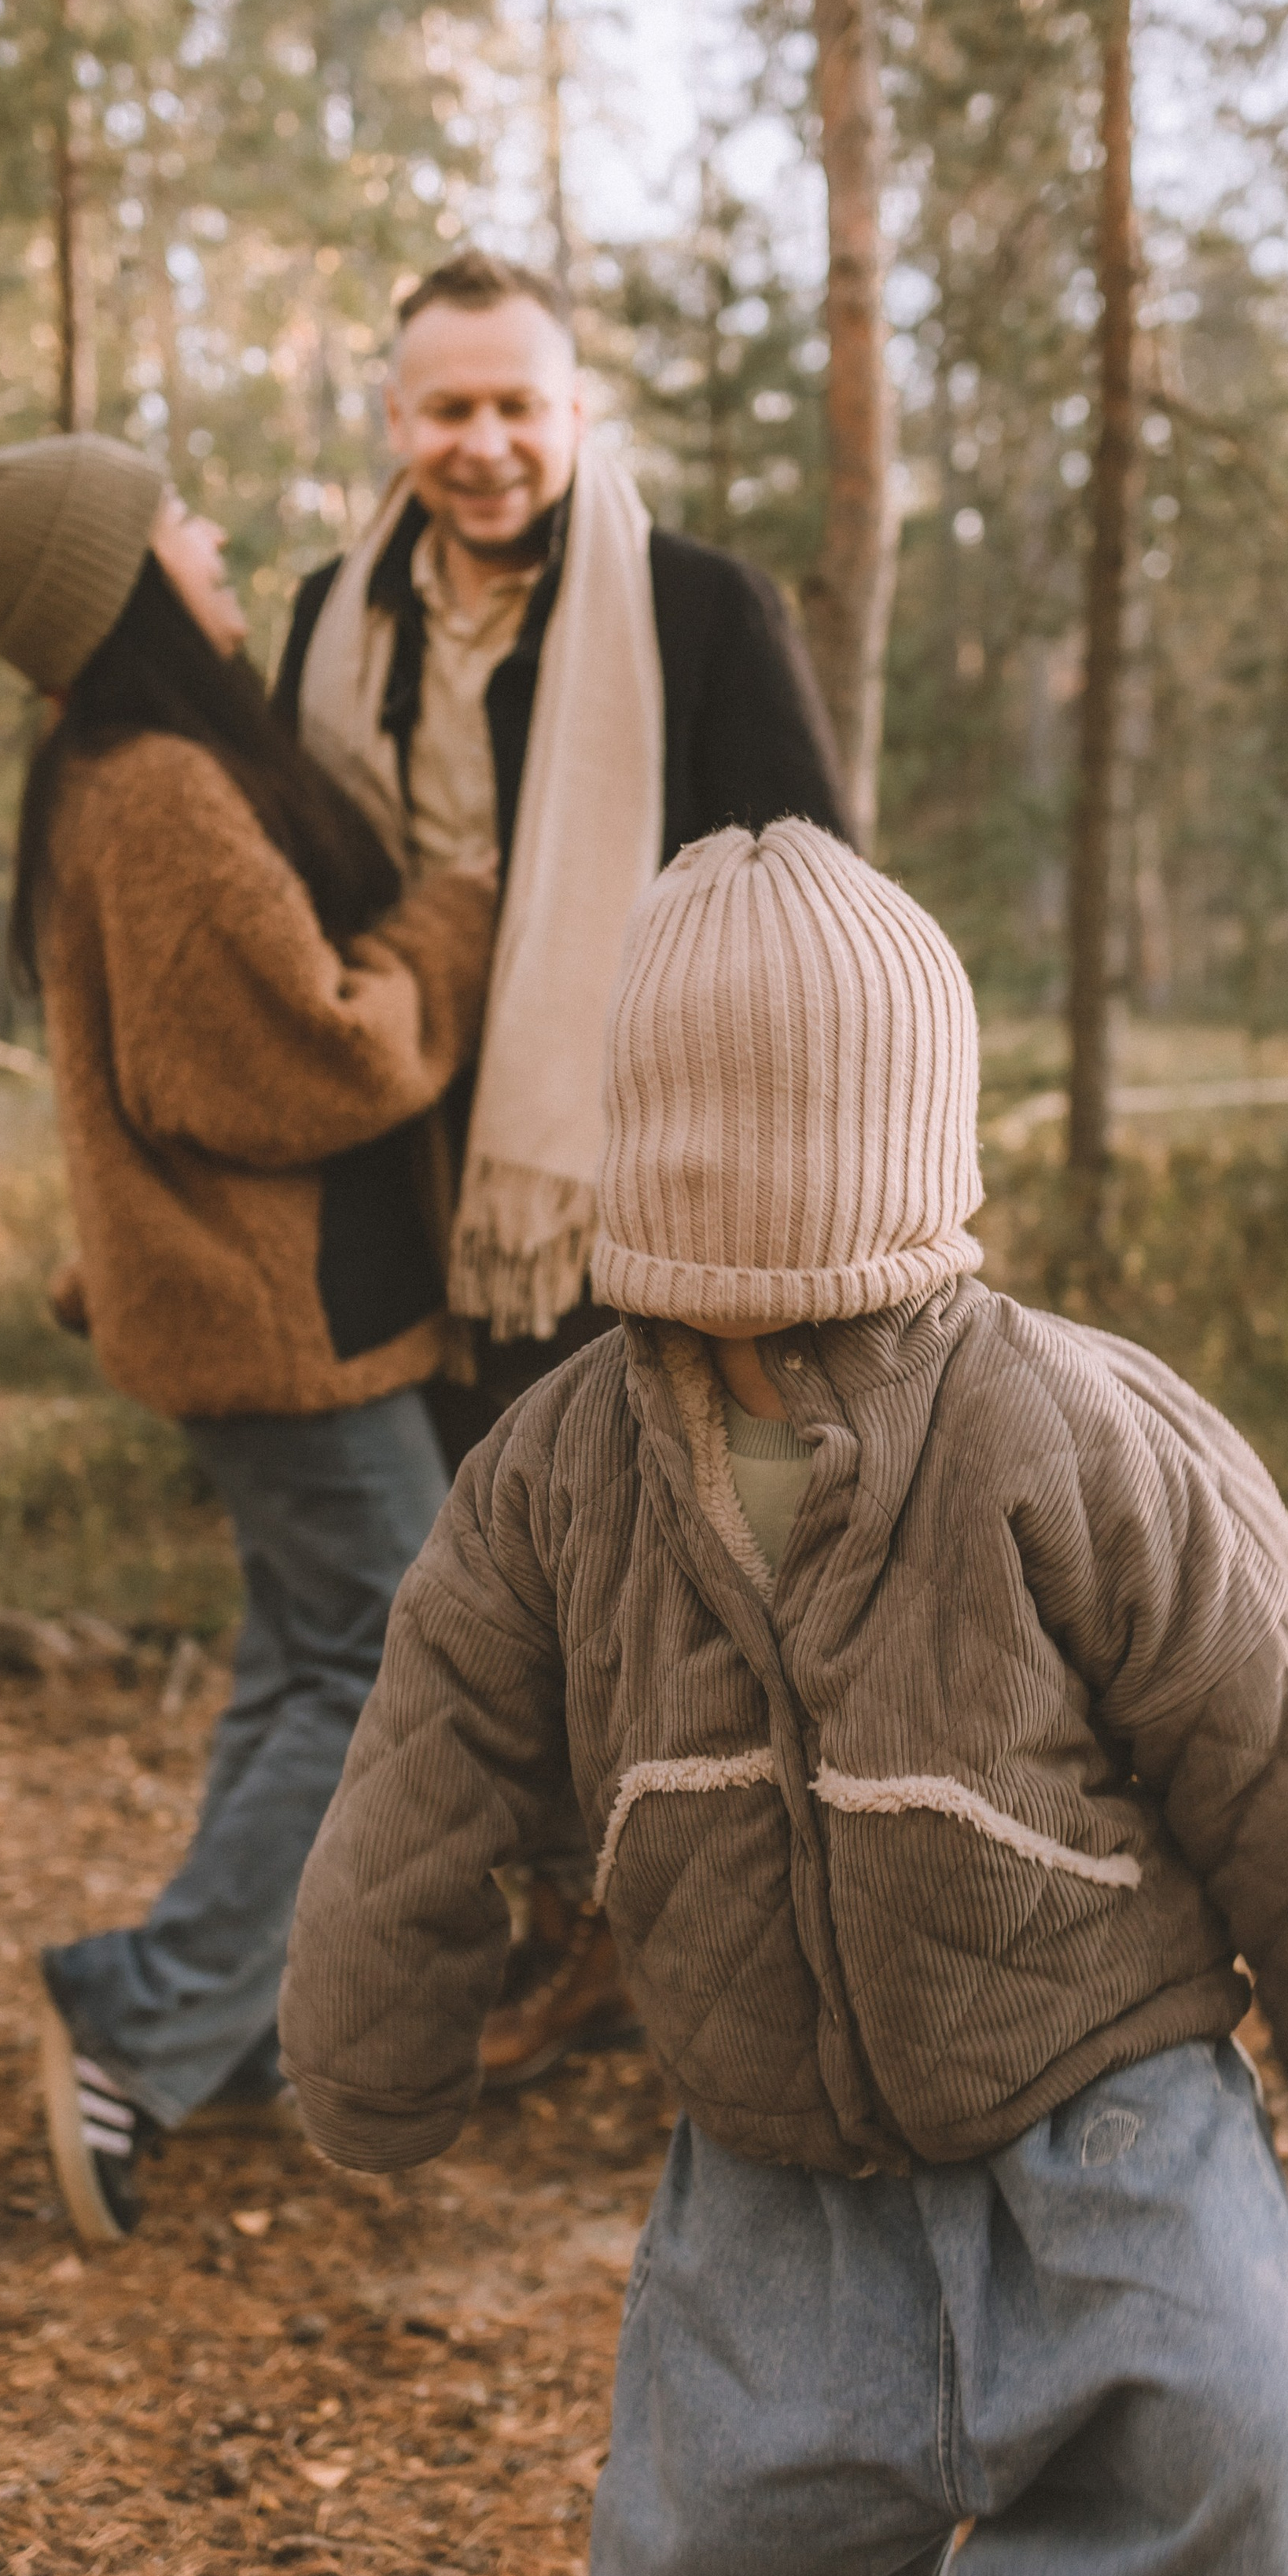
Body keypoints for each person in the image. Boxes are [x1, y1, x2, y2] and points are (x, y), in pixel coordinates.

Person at [279, 818, 1288, 2576]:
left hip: (1107, 2126)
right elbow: (427, 1765)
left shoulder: (1074, 1430)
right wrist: (373, 2040)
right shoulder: (560, 1474)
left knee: (1227, 2480)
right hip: (765, 2172)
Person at [0, 432, 494, 2245]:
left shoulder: (134, 770)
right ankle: (138, 2021)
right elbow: (287, 1054)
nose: (213, 538)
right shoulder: (150, 787)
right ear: (123, 577)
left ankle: (203, 2037)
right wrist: (446, 924)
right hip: (267, 1318)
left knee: (310, 1660)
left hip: (278, 1307)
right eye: (178, 520)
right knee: (388, 1657)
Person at [274, 247, 852, 2081]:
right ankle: (557, 1933)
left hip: (625, 1183)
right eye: (448, 408)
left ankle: (727, 1964)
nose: (486, 443)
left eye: (519, 404)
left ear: (574, 412)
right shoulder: (320, 622)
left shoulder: (695, 609)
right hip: (401, 1187)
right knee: (479, 1583)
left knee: (677, 1571)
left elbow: (809, 888)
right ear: (394, 422)